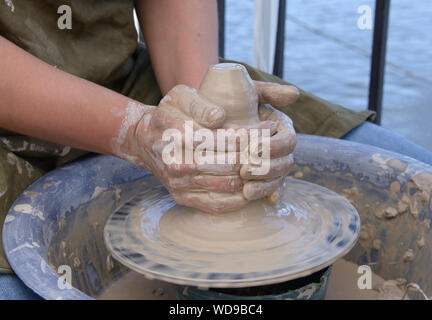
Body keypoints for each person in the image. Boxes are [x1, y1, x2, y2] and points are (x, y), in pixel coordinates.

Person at [0, 1, 430, 300]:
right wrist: (133, 131)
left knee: (419, 176)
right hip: (10, 121)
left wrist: (205, 112)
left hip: (127, 77)